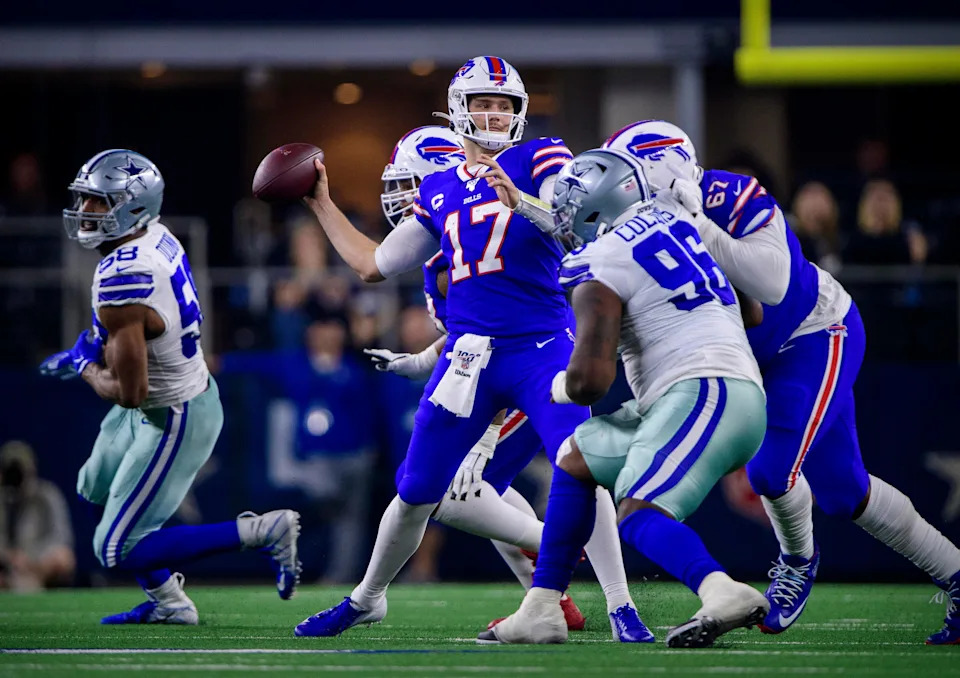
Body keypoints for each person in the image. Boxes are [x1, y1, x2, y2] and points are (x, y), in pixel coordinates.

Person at [293, 57, 649, 641]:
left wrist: (524, 202)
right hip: (469, 357)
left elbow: (586, 226)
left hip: (541, 347)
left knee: (580, 467)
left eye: (506, 105)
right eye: (485, 102)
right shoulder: (437, 189)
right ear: (458, 108)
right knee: (416, 492)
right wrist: (321, 204)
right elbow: (372, 264)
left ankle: (620, 606)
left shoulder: (542, 158)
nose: (496, 114)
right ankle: (367, 598)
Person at [606, 120, 960, 645]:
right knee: (844, 491)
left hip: (812, 331)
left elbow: (771, 284)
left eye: (627, 176)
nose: (619, 190)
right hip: (741, 359)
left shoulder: (729, 194)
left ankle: (796, 559)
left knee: (771, 472)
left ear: (660, 173)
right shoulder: (628, 226)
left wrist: (695, 225)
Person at [367, 124, 653, 633]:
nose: (406, 196)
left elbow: (545, 258)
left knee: (494, 481)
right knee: (480, 487)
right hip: (494, 365)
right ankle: (549, 594)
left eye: (414, 182)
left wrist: (488, 422)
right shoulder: (444, 251)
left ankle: (603, 591)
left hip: (538, 361)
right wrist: (416, 361)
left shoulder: (500, 196)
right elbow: (464, 329)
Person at [479, 148, 769, 647]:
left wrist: (552, 386)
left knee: (637, 513)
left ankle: (721, 590)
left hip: (702, 391)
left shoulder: (600, 260)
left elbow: (590, 381)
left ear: (593, 211)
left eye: (571, 215)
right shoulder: (677, 222)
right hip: (719, 388)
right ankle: (542, 607)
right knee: (577, 458)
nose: (567, 227)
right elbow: (753, 311)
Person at [39, 149, 301, 624]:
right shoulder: (153, 235)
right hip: (167, 397)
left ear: (132, 207)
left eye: (99, 202)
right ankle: (172, 604)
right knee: (91, 485)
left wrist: (82, 365)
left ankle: (262, 530)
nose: (86, 211)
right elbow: (134, 333)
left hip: (174, 414)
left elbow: (129, 391)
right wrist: (95, 343)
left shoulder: (124, 280)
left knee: (115, 548)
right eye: (85, 199)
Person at [0, 441, 75, 591]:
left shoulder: (47, 496)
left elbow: (60, 537)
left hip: (38, 564)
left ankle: (31, 585)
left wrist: (30, 558)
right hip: (6, 564)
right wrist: (10, 557)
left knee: (63, 557)